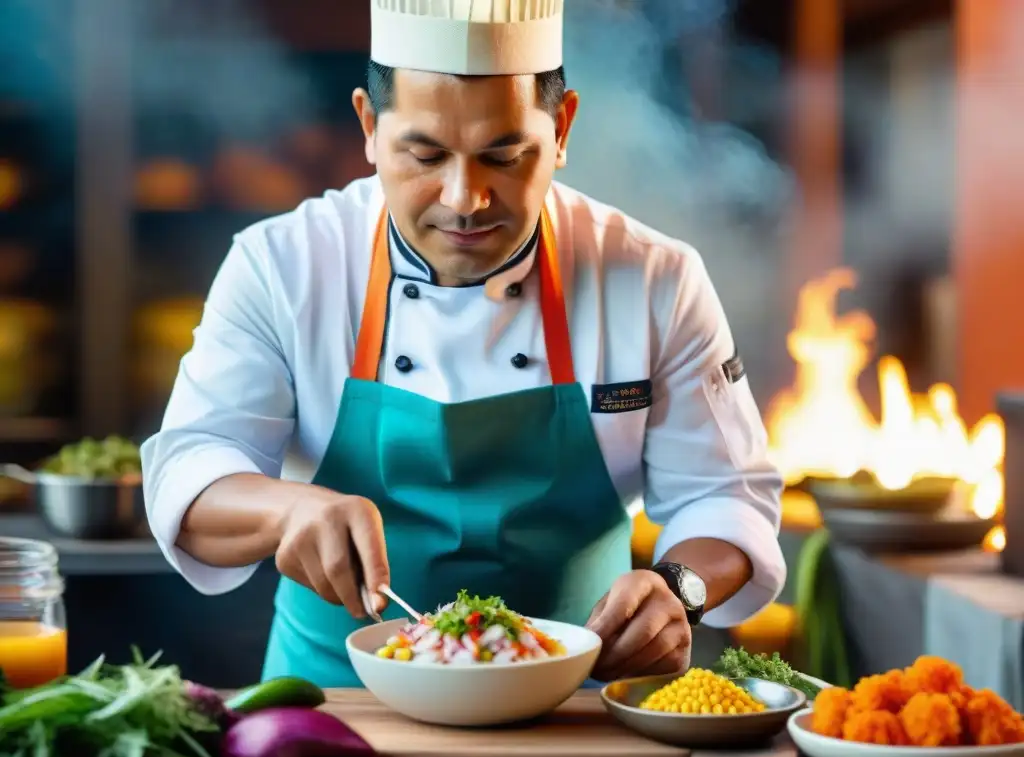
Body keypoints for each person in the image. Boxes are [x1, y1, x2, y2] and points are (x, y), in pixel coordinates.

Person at [141, 0, 786, 687]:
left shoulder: (655, 278)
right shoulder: (284, 264)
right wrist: (288, 510)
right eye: (424, 155)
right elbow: (190, 472)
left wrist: (677, 587)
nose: (464, 199)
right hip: (335, 706)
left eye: (503, 156)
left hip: (577, 707)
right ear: (368, 126)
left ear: (562, 127)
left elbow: (727, 496)